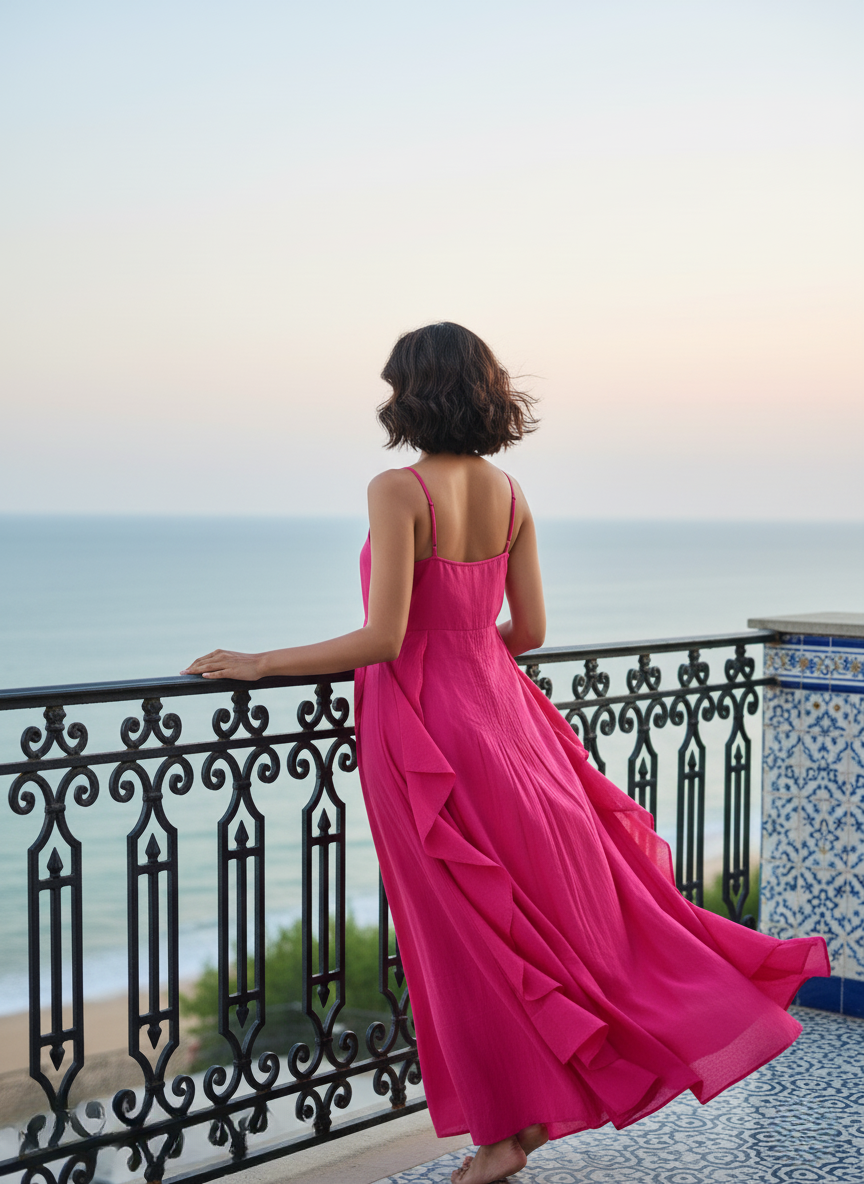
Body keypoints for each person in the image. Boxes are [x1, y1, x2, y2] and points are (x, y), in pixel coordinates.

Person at [182, 322, 829, 1184]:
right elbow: (529, 632)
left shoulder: (397, 490)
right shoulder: (512, 494)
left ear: (415, 394)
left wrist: (261, 662)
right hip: (506, 722)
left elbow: (383, 637)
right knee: (535, 922)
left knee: (460, 937)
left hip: (423, 734)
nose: (388, 400)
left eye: (394, 386)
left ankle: (502, 1136)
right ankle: (524, 1120)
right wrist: (467, 653)